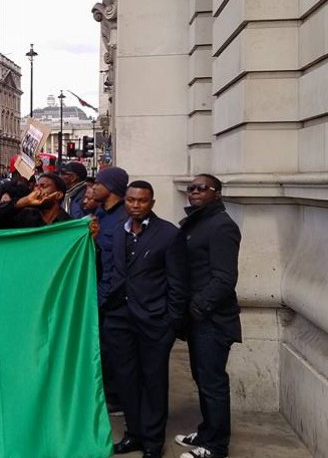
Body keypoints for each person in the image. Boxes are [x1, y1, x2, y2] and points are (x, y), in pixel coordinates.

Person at [102, 181, 188, 458]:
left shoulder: (168, 234)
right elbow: (112, 273)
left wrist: (171, 321)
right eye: (130, 200)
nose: (135, 205)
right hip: (119, 319)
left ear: (152, 202)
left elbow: (178, 283)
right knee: (126, 381)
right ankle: (134, 434)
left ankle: (153, 441)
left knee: (153, 382)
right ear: (124, 201)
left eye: (141, 201)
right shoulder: (117, 232)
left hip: (154, 321)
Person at [174, 174, 241, 458]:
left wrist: (197, 307)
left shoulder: (222, 226)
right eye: (191, 188)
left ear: (217, 193)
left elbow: (225, 279)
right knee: (202, 379)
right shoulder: (199, 221)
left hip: (213, 320)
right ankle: (206, 431)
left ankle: (216, 446)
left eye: (203, 188)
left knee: (213, 383)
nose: (195, 192)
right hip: (198, 319)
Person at [91, 166, 129, 415]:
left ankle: (117, 399)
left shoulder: (124, 219)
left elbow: (119, 264)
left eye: (98, 183)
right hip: (99, 292)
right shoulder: (100, 213)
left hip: (114, 298)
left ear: (112, 188)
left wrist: (105, 297)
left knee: (114, 351)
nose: (93, 187)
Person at [0, 173, 71, 230]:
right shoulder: (24, 217)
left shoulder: (69, 224)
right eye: (36, 186)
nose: (37, 191)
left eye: (43, 186)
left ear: (58, 195)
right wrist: (24, 201)